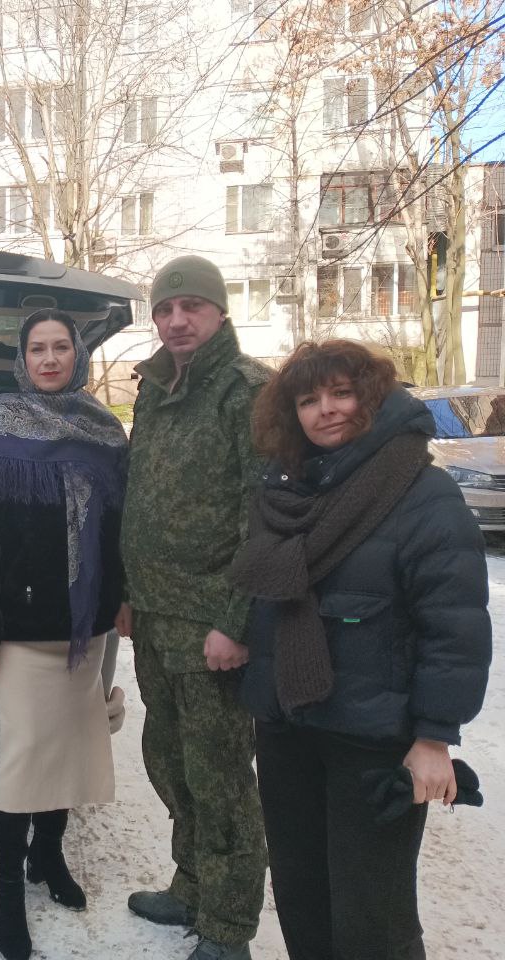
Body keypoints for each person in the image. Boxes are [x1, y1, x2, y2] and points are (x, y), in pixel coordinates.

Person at [230, 340, 491, 960]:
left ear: (371, 398)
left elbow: (454, 628)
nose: (327, 410)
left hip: (374, 739)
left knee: (373, 915)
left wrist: (433, 738)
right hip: (290, 726)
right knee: (301, 895)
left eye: (342, 393)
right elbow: (262, 598)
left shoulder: (421, 495)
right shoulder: (286, 492)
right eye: (309, 399)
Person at [0, 309, 127, 960]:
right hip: (19, 629)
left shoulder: (104, 429)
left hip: (86, 627)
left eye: (60, 348)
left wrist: (122, 596)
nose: (49, 358)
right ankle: (5, 895)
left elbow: (117, 527)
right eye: (37, 349)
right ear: (21, 360)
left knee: (70, 750)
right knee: (24, 759)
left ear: (76, 355)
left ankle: (47, 859)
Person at [118, 255, 269, 960]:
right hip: (153, 615)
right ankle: (191, 887)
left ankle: (229, 925)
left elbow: (261, 517)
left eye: (192, 307)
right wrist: (126, 594)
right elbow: (141, 497)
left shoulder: (247, 393)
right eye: (165, 308)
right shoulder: (153, 389)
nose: (176, 320)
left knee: (220, 776)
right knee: (169, 761)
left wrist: (235, 622)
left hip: (211, 624)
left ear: (219, 312)